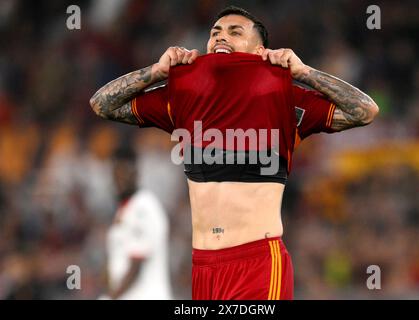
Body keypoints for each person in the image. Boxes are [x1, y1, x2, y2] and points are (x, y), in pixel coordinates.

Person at [90, 6, 378, 300]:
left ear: (260, 50)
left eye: (235, 32)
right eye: (215, 33)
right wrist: (156, 71)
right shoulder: (183, 98)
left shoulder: (285, 99)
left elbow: (364, 111)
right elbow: (102, 105)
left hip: (257, 263)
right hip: (204, 267)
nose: (221, 38)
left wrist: (304, 72)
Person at [103, 146, 173, 300]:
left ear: (135, 172)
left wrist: (111, 297)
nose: (118, 178)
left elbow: (136, 263)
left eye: (123, 172)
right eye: (116, 173)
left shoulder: (144, 206)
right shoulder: (124, 210)